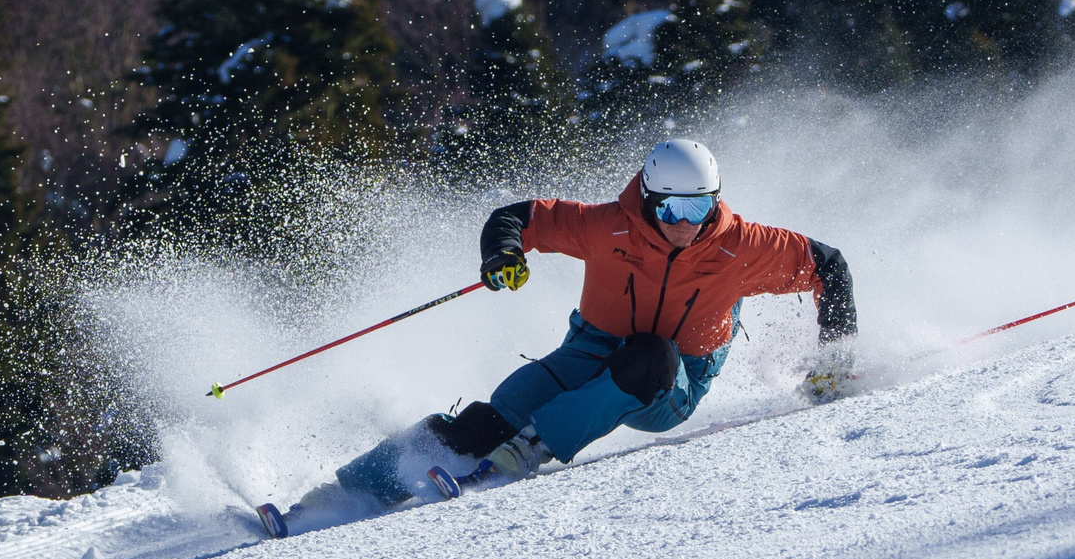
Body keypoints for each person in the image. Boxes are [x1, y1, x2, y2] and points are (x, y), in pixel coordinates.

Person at [285, 139, 857, 530]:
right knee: (489, 416)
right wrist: (503, 254)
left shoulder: (742, 246)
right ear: (650, 200)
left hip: (668, 383)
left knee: (648, 354)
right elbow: (518, 216)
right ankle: (343, 494)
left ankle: (529, 450)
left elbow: (830, 266)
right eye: (673, 209)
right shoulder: (608, 226)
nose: (686, 223)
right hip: (588, 351)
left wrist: (834, 358)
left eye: (701, 206)